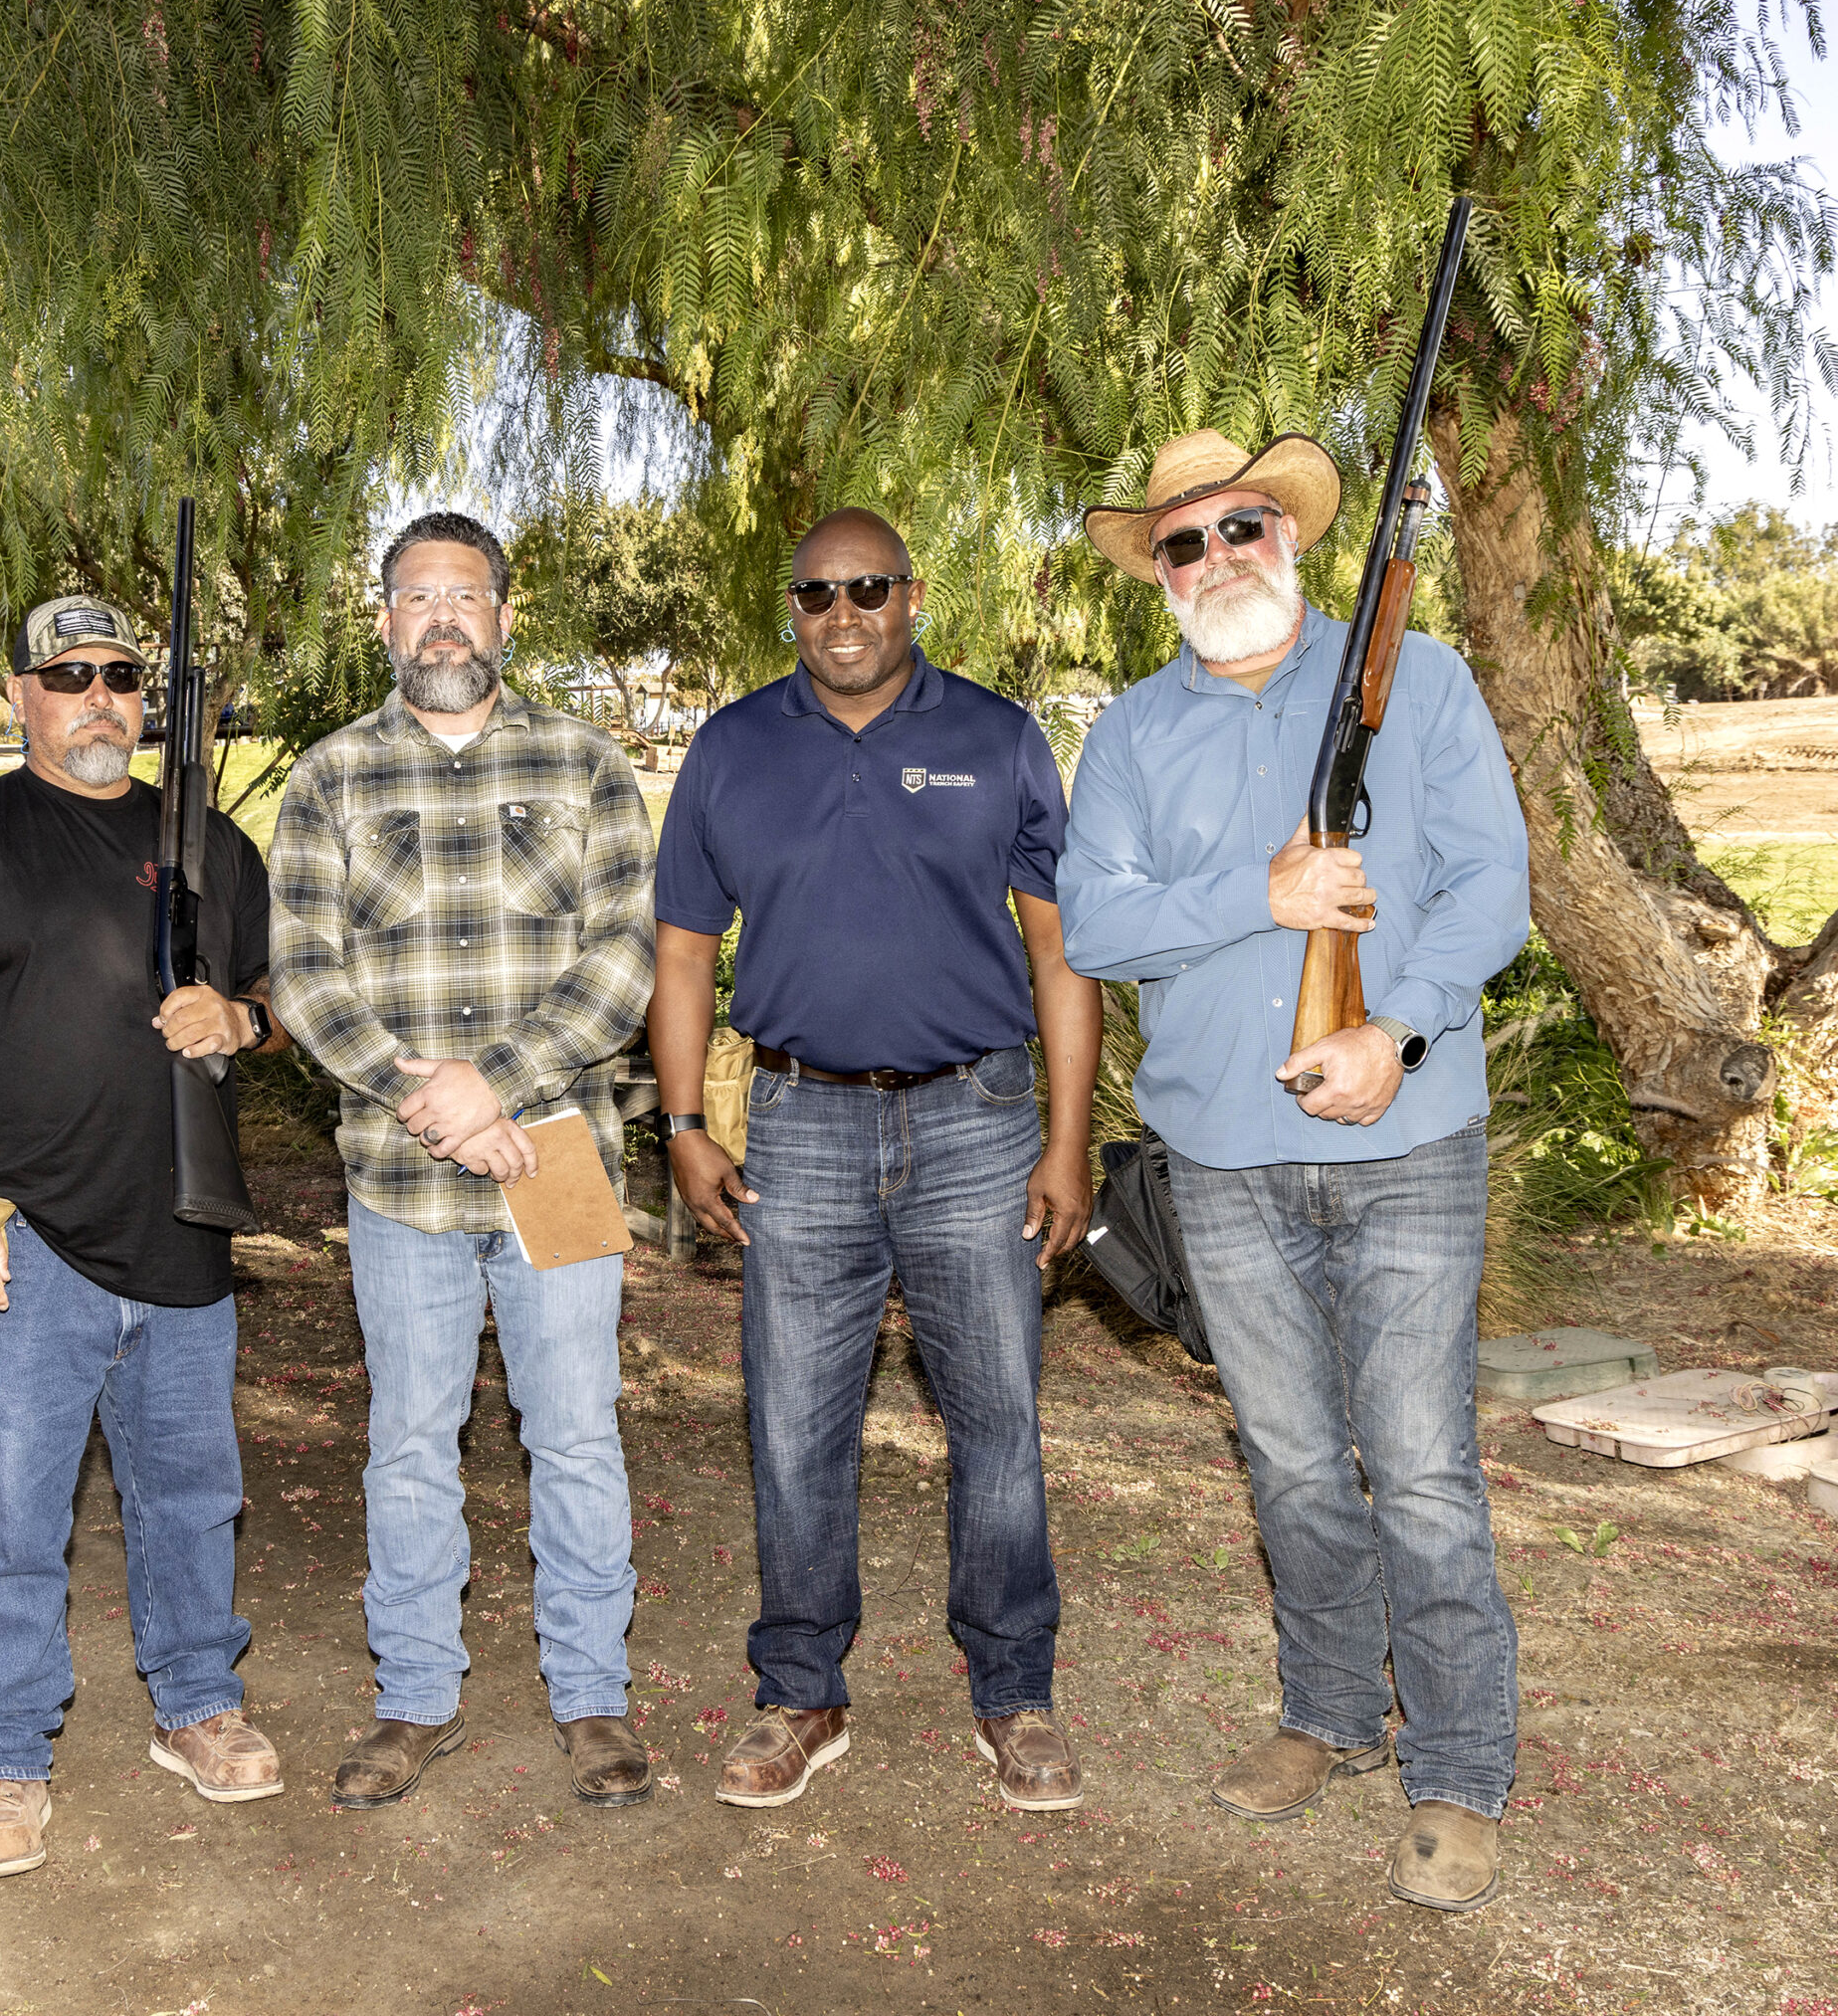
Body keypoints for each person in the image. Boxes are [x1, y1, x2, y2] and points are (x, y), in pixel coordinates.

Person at [1057, 430, 1531, 1912]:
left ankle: (1457, 1770)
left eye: (1242, 526)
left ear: (1297, 536)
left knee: (1425, 1469)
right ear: (1158, 573)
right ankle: (1325, 1714)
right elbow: (1095, 925)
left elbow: (1494, 888)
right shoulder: (1132, 734)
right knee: (1291, 1461)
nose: (1217, 559)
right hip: (1220, 1158)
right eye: (1183, 542)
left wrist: (1398, 1028)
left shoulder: (1419, 682)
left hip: (1409, 1140)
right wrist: (1257, 894)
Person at [649, 507, 1102, 1814]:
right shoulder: (732, 748)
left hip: (976, 1121)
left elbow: (1061, 952)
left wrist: (1067, 1142)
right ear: (790, 610)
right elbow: (683, 950)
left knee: (997, 1422)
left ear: (912, 596)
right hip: (800, 1126)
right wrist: (682, 1126)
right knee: (795, 1423)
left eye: (868, 589)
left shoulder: (998, 738)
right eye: (816, 595)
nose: (842, 615)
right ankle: (801, 1691)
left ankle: (1015, 1692)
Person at [0, 594, 289, 1883]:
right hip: (21, 1243)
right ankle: (2, 1757)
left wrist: (241, 1022)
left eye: (119, 674)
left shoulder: (211, 844)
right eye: (67, 675)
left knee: (192, 1498)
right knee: (4, 1518)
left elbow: (279, 997)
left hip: (184, 1234)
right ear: (18, 696)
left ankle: (197, 1703)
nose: (98, 696)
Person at [267, 511, 658, 1811]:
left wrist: (494, 1084)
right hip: (400, 1177)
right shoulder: (330, 779)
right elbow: (306, 981)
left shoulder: (586, 764)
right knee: (409, 1445)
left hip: (561, 1162)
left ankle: (592, 1698)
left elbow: (622, 966)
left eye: (465, 596)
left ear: (503, 614)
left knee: (579, 1437)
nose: (443, 619)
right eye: (418, 598)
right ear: (386, 621)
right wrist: (431, 1101)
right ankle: (416, 1698)